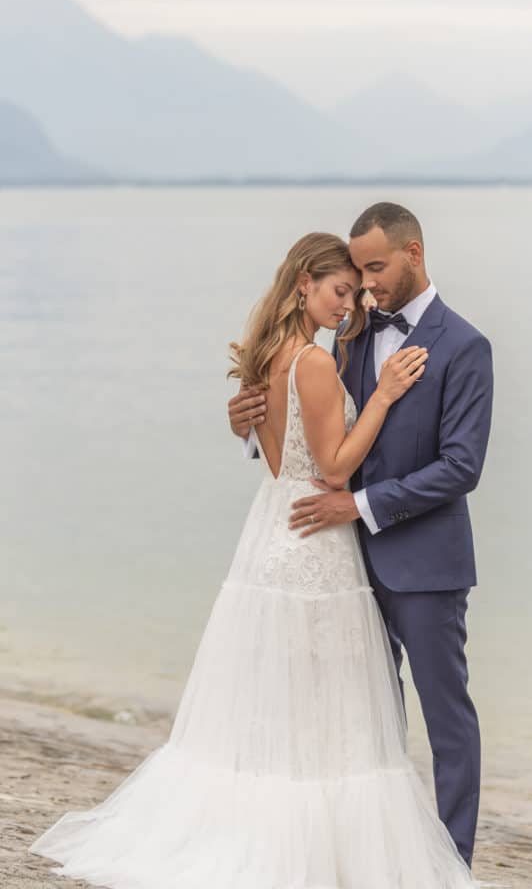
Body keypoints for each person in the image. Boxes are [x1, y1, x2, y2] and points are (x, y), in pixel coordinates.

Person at [28, 231, 476, 888]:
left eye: (355, 291)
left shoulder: (268, 355)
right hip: (315, 540)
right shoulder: (316, 363)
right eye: (339, 290)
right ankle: (321, 854)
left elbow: (277, 444)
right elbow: (330, 467)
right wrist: (380, 397)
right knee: (327, 706)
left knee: (279, 703)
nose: (348, 305)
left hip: (272, 532)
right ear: (304, 283)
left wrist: (253, 425)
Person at [232, 204, 494, 867]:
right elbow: (313, 433)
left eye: (375, 268)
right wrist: (246, 421)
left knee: (447, 721)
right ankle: (371, 856)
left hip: (424, 566)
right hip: (339, 567)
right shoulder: (346, 338)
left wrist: (363, 505)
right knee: (360, 724)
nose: (367, 284)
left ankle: (452, 865)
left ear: (413, 254)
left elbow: (461, 467)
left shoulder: (465, 346)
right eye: (357, 272)